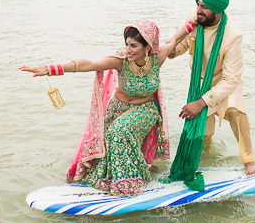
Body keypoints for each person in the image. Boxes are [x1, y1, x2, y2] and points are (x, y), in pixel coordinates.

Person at [19, 20, 194, 197]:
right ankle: (126, 173)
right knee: (109, 140)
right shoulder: (121, 61)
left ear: (147, 46)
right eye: (127, 44)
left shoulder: (158, 57)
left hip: (145, 109)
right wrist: (50, 69)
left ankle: (127, 183)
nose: (129, 49)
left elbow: (177, 37)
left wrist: (195, 21)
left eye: (134, 45)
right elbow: (89, 64)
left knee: (119, 131)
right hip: (117, 108)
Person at [166, 0, 255, 178]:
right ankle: (205, 154)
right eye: (198, 5)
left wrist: (201, 103)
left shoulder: (232, 35)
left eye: (204, 7)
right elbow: (185, 42)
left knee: (236, 113)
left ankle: (248, 159)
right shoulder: (195, 17)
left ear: (217, 11)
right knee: (203, 126)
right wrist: (172, 51)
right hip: (200, 80)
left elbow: (231, 79)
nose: (199, 10)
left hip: (224, 79)